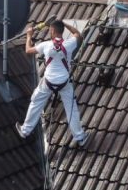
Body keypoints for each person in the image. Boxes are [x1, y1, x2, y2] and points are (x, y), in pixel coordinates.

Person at [15, 19, 89, 147]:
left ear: (52, 30)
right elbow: (78, 34)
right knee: (71, 109)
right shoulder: (69, 44)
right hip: (64, 82)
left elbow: (28, 50)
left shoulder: (45, 45)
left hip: (48, 82)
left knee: (36, 102)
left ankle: (25, 131)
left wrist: (29, 36)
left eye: (50, 30)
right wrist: (64, 24)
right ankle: (80, 137)